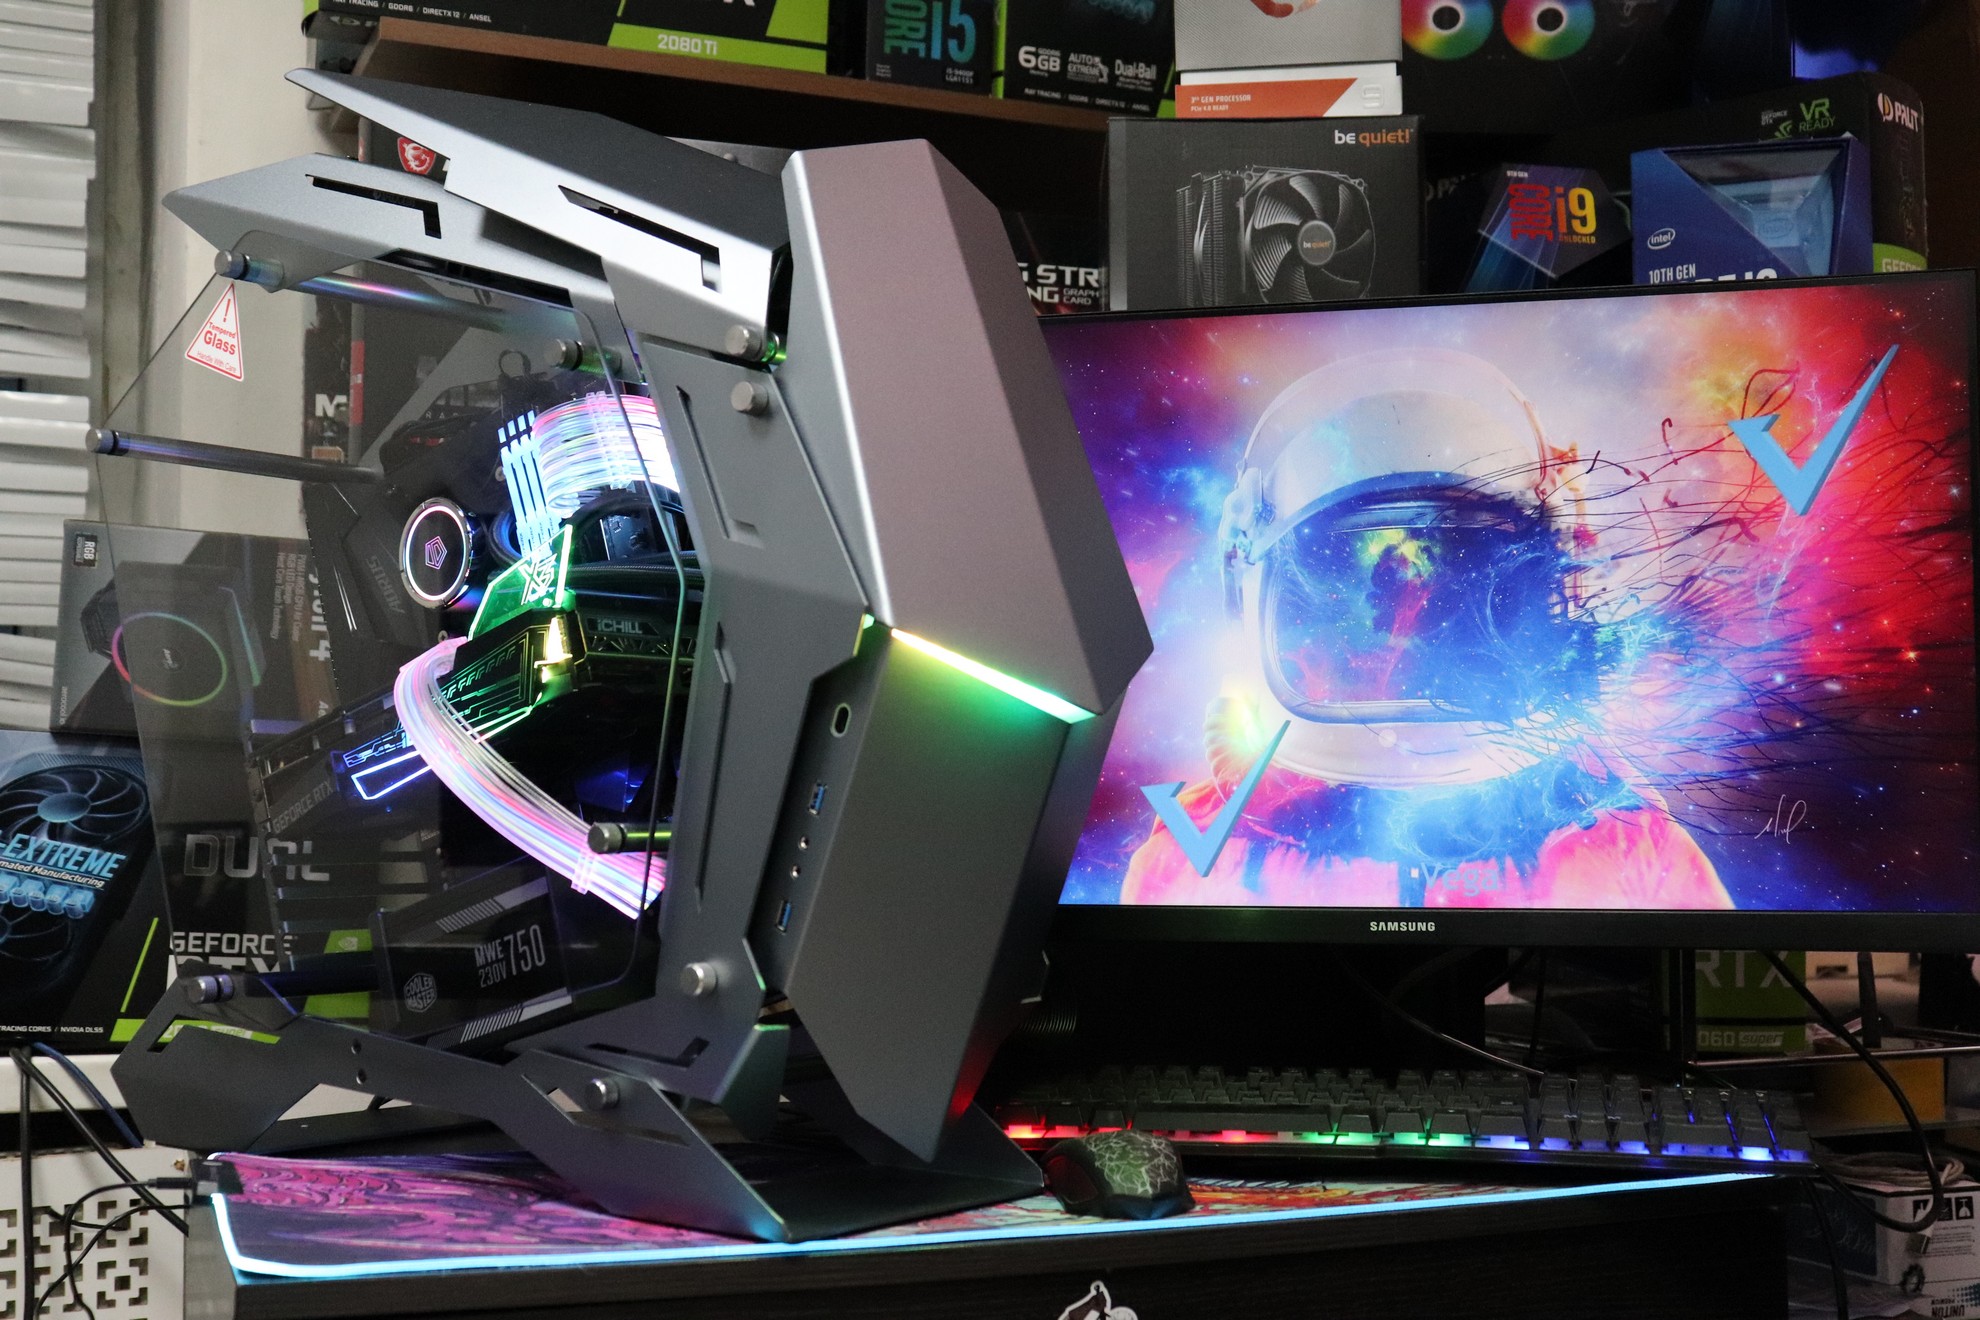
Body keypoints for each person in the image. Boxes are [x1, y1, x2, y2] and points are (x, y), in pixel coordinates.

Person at [1122, 349, 1732, 910]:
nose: (1406, 623)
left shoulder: (1619, 836)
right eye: (1369, 566)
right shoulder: (1202, 850)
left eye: (1452, 574)